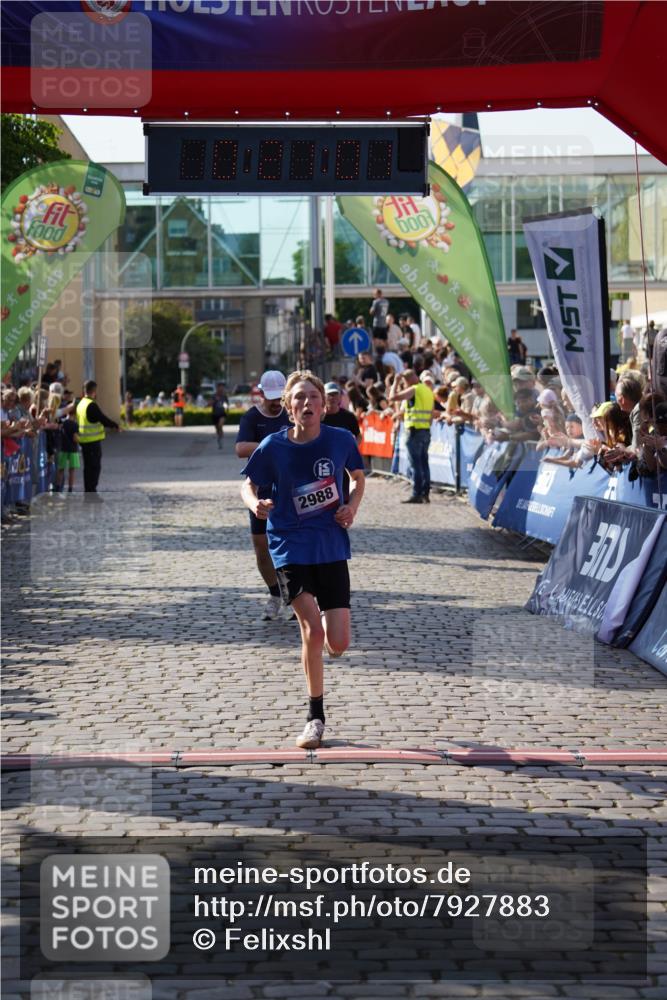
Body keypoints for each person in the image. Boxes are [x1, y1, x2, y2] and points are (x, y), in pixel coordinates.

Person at [240, 370, 365, 750]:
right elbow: (247, 483)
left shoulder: (341, 440)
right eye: (298, 398)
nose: (306, 403)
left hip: (330, 545)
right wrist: (255, 504)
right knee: (312, 628)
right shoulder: (273, 446)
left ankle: (326, 646)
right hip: (289, 544)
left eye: (312, 396)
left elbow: (358, 477)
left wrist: (352, 505)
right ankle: (315, 716)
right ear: (289, 408)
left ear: (323, 407)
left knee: (338, 643)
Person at [235, 370, 294, 623]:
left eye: (278, 397)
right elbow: (240, 448)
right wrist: (273, 444)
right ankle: (274, 593)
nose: (274, 403)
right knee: (261, 547)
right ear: (261, 394)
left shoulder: (291, 415)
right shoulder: (251, 417)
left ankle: (292, 595)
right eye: (270, 397)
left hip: (288, 489)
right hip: (259, 489)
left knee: (288, 546)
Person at [388, 368, 434, 504]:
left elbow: (392, 397)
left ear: (406, 380)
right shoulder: (428, 390)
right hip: (425, 430)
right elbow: (431, 413)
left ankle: (416, 494)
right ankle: (425, 493)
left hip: (414, 431)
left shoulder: (414, 389)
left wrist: (395, 383)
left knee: (416, 465)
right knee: (424, 463)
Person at [75, 380, 120, 496]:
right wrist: (115, 426)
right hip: (92, 442)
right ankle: (91, 492)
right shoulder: (91, 404)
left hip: (84, 441)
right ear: (94, 391)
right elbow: (102, 418)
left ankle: (88, 491)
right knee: (94, 468)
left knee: (88, 468)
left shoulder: (81, 404)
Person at [54, 408, 80, 493]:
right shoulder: (75, 425)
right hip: (73, 450)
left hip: (63, 448)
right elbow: (75, 438)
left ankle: (57, 487)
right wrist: (81, 439)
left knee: (61, 469)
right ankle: (70, 489)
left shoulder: (63, 423)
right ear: (75, 414)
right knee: (71, 471)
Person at [211, 382, 229, 450]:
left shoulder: (224, 396)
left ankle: (221, 439)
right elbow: (211, 403)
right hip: (215, 414)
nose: (221, 389)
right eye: (220, 387)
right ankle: (219, 437)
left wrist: (227, 410)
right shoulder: (214, 396)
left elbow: (226, 404)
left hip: (222, 413)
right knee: (217, 428)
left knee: (220, 425)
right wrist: (214, 400)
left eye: (222, 387)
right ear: (217, 388)